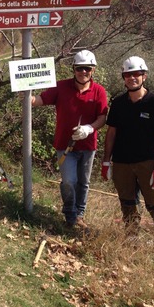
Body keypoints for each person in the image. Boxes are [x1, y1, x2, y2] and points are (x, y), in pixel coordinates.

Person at [29, 50, 108, 231]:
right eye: (79, 68)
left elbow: (102, 117)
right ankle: (70, 213)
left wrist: (89, 129)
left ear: (93, 70)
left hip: (88, 146)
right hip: (65, 146)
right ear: (74, 69)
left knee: (84, 182)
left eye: (87, 68)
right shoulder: (61, 87)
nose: (83, 72)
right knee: (68, 181)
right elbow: (41, 99)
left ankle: (79, 215)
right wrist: (28, 98)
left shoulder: (99, 91)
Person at [100, 56, 154, 241]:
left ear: (144, 76)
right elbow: (111, 133)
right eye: (127, 74)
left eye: (136, 74)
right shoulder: (119, 103)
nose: (132, 78)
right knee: (127, 202)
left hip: (147, 162)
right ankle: (131, 236)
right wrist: (106, 161)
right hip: (122, 162)